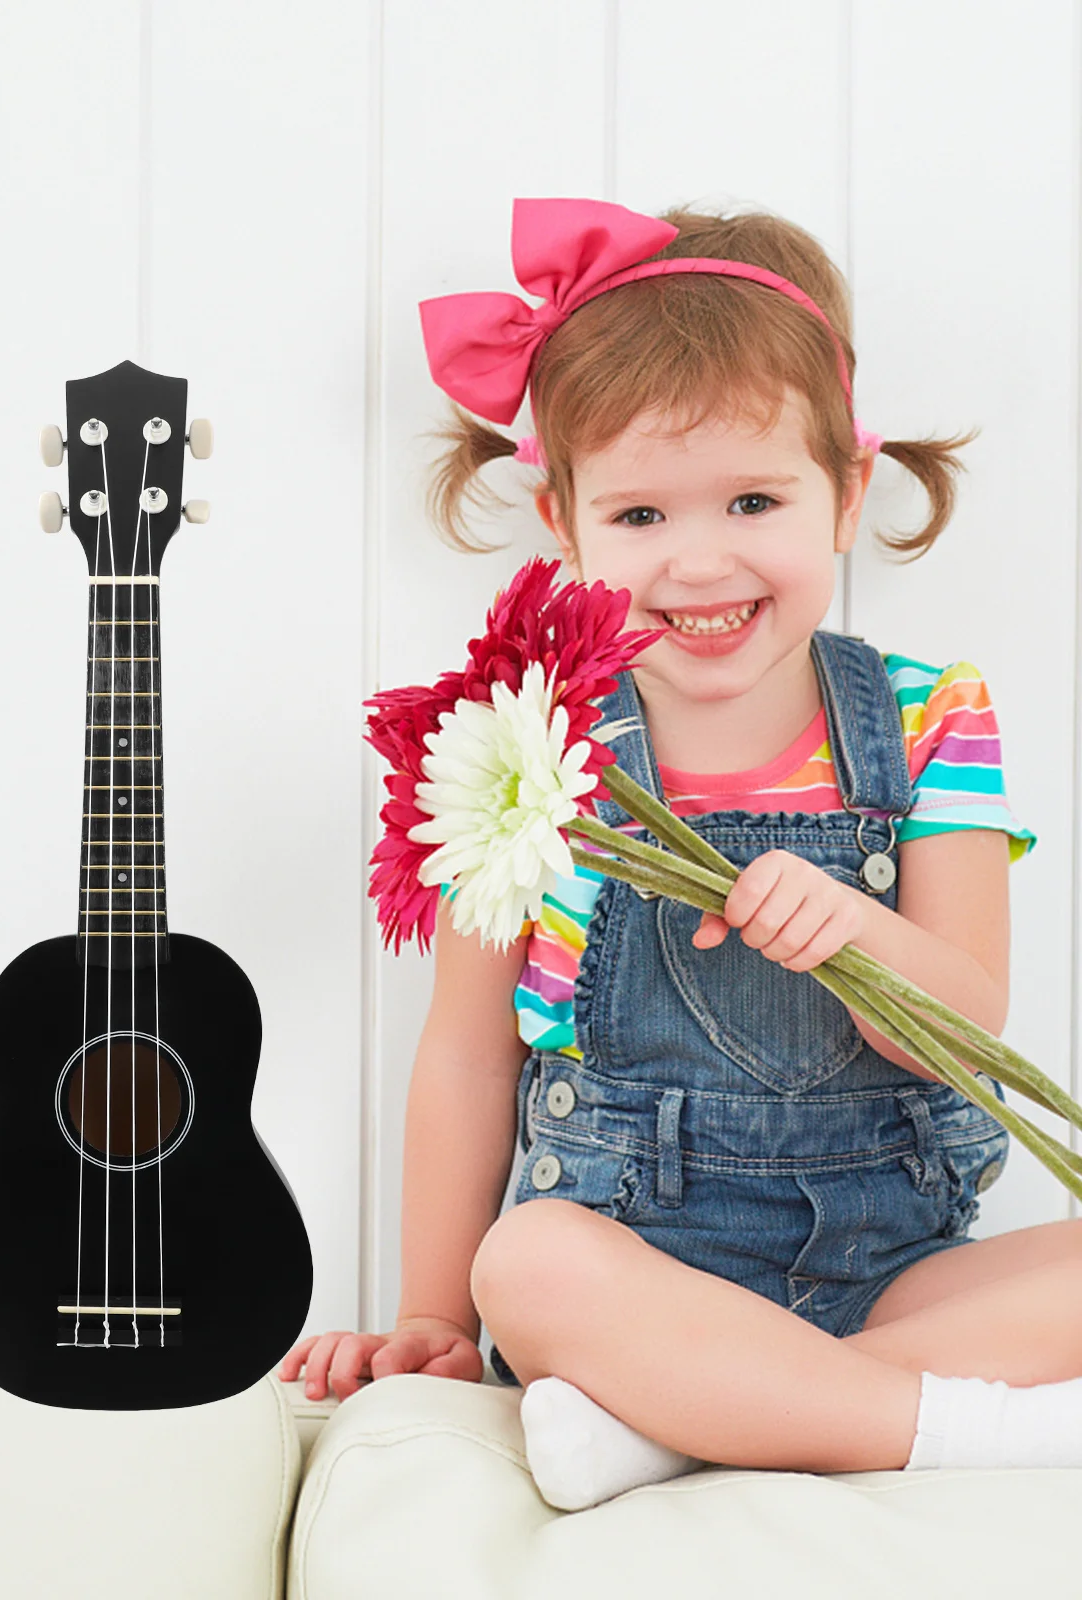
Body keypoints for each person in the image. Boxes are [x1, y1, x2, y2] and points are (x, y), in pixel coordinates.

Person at [279, 198, 1082, 1511]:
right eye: (641, 514)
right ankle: (946, 1428)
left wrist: (856, 928)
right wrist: (431, 1312)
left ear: (847, 492)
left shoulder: (935, 718)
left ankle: (692, 1422)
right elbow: (471, 1052)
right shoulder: (535, 746)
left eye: (755, 498)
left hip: (891, 1267)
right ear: (563, 519)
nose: (699, 561)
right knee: (524, 1266)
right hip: (630, 1268)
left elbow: (966, 1024)